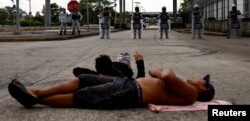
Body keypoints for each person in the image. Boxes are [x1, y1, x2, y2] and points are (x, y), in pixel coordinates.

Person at [8, 60, 215, 109]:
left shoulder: (189, 94)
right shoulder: (186, 89)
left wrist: (164, 72)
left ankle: (36, 99)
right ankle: (36, 92)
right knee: (83, 80)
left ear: (202, 87)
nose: (197, 78)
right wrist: (160, 73)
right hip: (127, 83)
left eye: (201, 79)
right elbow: (154, 72)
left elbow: (167, 75)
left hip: (130, 91)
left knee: (82, 97)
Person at [73, 52, 145, 79]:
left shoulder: (97, 77)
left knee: (124, 64)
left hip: (121, 67)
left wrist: (95, 74)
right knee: (125, 65)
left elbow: (76, 70)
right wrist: (140, 62)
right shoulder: (122, 80)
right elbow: (140, 83)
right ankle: (124, 60)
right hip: (123, 68)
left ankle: (123, 60)